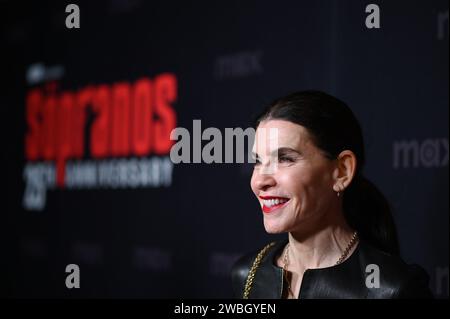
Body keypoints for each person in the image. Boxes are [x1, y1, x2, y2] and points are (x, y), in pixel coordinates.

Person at [231, 90, 433, 299]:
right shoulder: (248, 275)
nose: (260, 181)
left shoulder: (392, 289)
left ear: (342, 171)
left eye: (285, 159)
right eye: (257, 161)